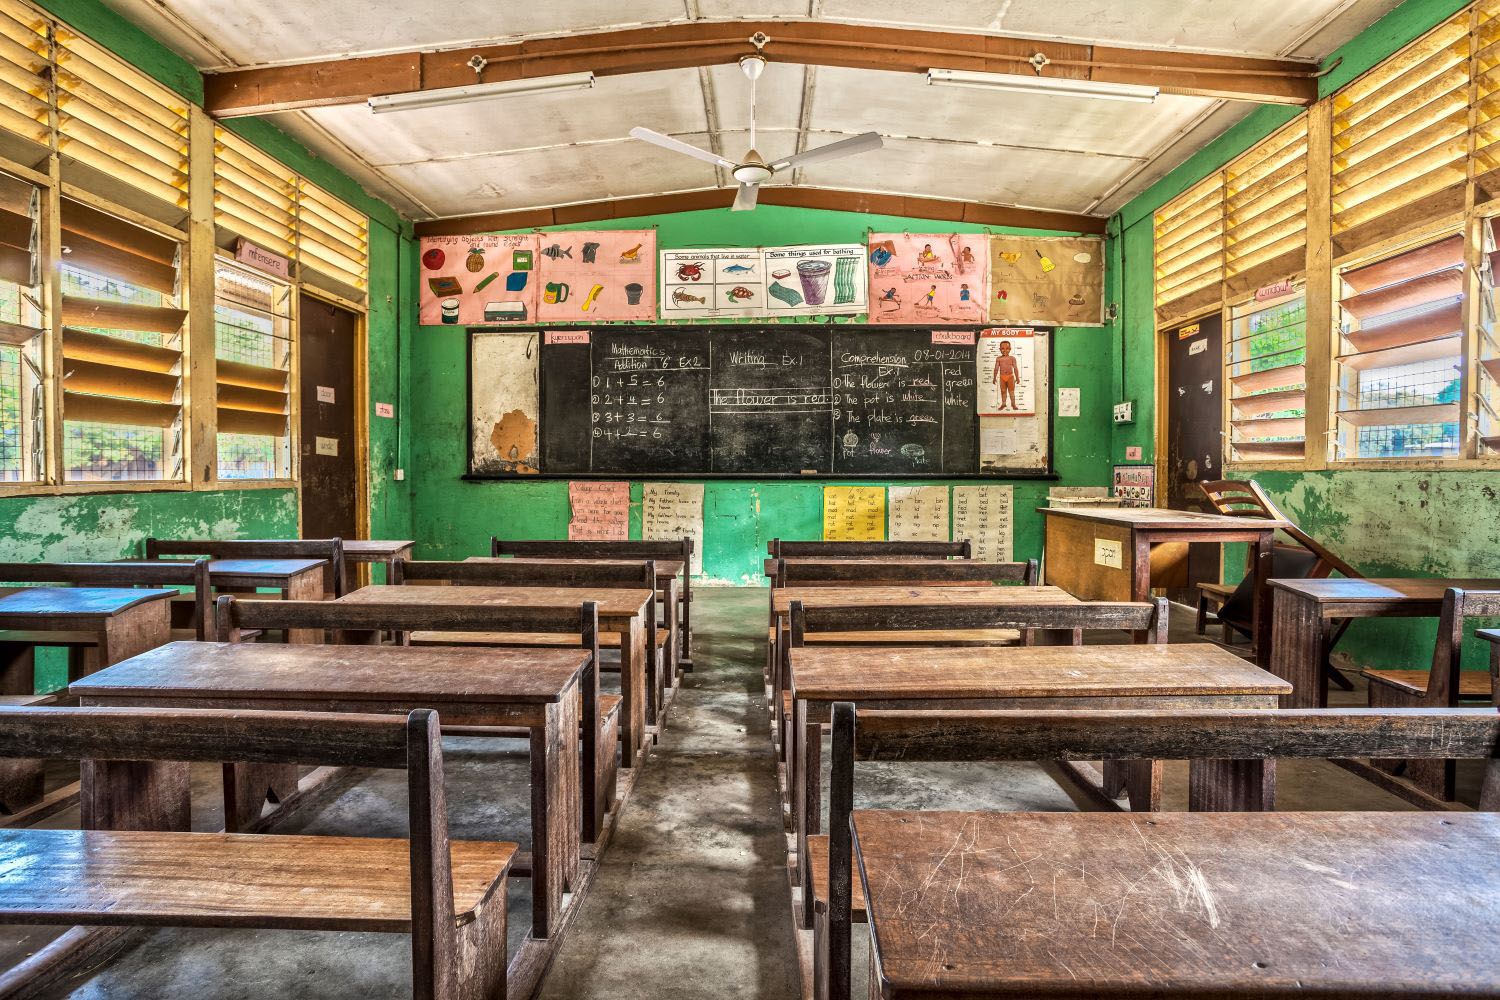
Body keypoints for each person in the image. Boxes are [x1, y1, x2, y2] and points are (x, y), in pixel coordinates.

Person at [990, 340, 1019, 411]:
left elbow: (1015, 368)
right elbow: (996, 369)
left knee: (1011, 391)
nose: (1005, 350)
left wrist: (1017, 378)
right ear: (1000, 349)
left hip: (1010, 377)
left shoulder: (1012, 358)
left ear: (1010, 349)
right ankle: (1003, 404)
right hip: (1002, 377)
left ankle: (1013, 404)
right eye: (1002, 348)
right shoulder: (999, 359)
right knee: (1003, 391)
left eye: (1007, 348)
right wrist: (994, 378)